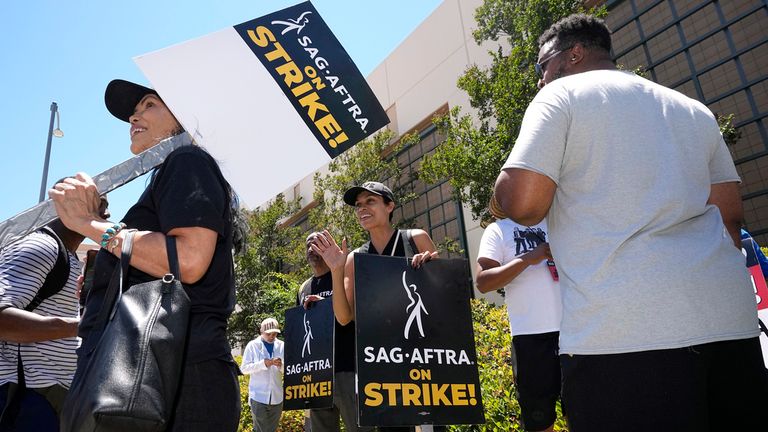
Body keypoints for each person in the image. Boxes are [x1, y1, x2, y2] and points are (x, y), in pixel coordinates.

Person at [494, 13, 768, 430]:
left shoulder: (560, 96)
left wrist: (499, 203)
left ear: (574, 54)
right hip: (730, 330)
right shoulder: (692, 109)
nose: (539, 80)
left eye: (541, 66)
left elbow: (525, 203)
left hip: (623, 340)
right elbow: (730, 221)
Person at [48, 79, 242, 431]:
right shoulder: (168, 174)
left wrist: (89, 223)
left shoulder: (187, 160)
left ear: (183, 116)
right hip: (156, 376)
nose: (133, 119)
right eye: (132, 114)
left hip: (180, 382)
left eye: (148, 105)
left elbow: (188, 260)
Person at [310, 181, 439, 432]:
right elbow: (345, 318)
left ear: (389, 206)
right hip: (382, 368)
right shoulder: (355, 258)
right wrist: (336, 271)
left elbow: (442, 302)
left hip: (422, 363)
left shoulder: (416, 239)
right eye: (358, 205)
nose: (362, 209)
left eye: (370, 201)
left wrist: (430, 273)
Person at [0, 195, 107, 430]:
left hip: (46, 399)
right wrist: (82, 325)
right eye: (99, 207)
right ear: (67, 206)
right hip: (24, 396)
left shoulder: (65, 255)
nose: (106, 216)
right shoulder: (41, 246)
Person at [475, 197, 561, 432]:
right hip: (531, 337)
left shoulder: (556, 222)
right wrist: (528, 258)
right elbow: (483, 282)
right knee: (539, 421)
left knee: (585, 410)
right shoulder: (498, 230)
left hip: (575, 331)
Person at [297, 232, 370, 432]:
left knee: (358, 427)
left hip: (348, 369)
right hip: (318, 376)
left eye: (317, 244)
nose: (312, 249)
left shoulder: (344, 273)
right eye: (308, 245)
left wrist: (325, 305)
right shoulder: (304, 288)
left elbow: (353, 314)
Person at [240, 318, 285, 432]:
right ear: (261, 332)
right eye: (268, 333)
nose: (271, 336)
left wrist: (281, 365)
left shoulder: (282, 346)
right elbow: (244, 369)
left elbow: (289, 370)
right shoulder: (253, 345)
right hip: (258, 396)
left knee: (272, 429)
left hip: (277, 397)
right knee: (260, 430)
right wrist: (263, 364)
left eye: (274, 333)